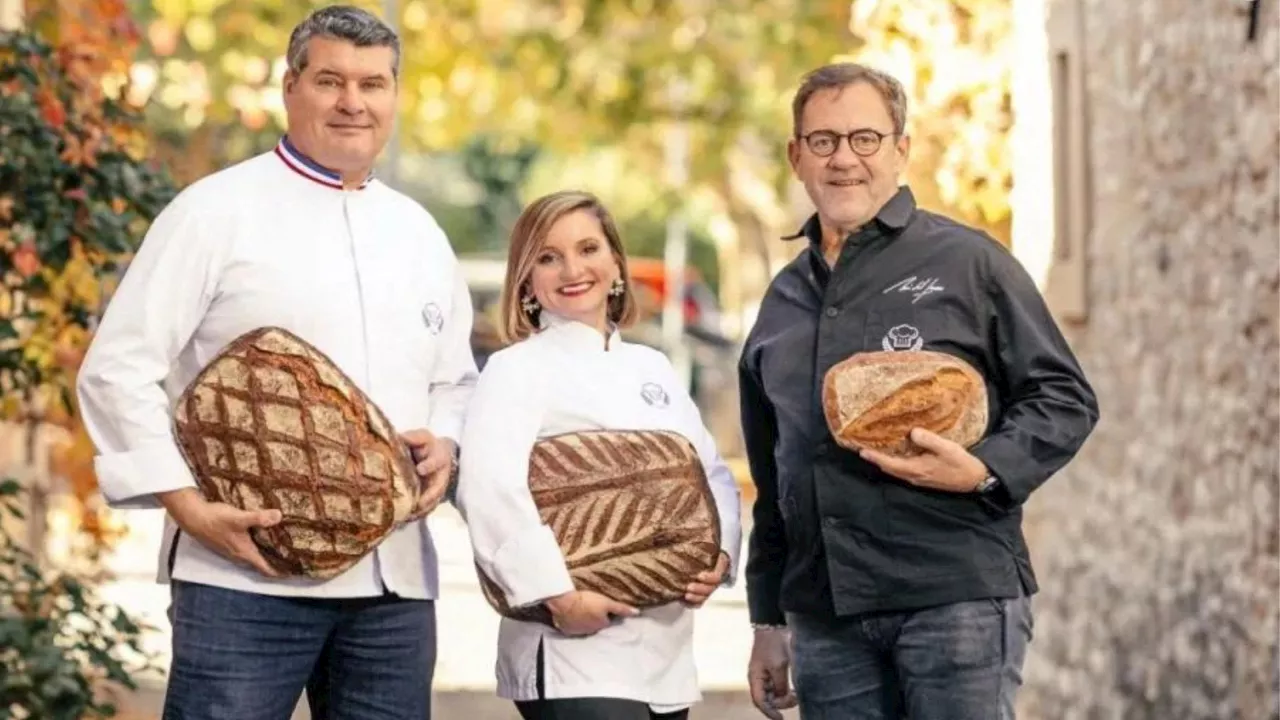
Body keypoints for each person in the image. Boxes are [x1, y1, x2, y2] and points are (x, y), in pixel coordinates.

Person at [74, 6, 478, 719]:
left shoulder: (419, 233)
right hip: (243, 581)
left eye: (373, 84)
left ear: (394, 96)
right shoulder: (215, 212)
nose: (353, 102)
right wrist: (187, 506)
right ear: (290, 88)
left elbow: (454, 380)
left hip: (394, 592)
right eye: (330, 81)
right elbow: (118, 366)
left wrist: (446, 440)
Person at [739, 62, 1100, 720]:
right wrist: (767, 617)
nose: (844, 158)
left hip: (954, 599)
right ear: (797, 157)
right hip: (828, 620)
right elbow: (777, 474)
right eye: (823, 141)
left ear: (901, 150)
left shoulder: (969, 262)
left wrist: (985, 469)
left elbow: (1064, 396)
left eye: (865, 138)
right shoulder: (782, 301)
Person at [454, 190, 743, 720]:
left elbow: (710, 474)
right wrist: (558, 599)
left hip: (666, 649)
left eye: (589, 248)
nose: (573, 269)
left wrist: (719, 556)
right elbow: (488, 487)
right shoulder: (516, 369)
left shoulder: (652, 367)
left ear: (615, 264)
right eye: (548, 256)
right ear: (526, 281)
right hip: (574, 651)